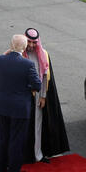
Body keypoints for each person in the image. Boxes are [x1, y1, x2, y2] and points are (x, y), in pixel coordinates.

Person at [0, 35, 42, 172]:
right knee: (17, 139)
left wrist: (4, 54)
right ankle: (13, 171)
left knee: (3, 137)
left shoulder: (0, 59)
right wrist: (26, 87)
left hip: (3, 104)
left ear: (11, 45)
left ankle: (1, 168)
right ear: (25, 47)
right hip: (20, 106)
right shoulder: (28, 64)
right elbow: (37, 85)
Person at [22, 28, 69, 163]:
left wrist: (43, 96)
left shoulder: (43, 54)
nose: (31, 45)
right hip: (23, 96)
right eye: (29, 42)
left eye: (34, 42)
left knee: (37, 126)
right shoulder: (20, 54)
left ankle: (37, 154)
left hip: (37, 96)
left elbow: (44, 77)